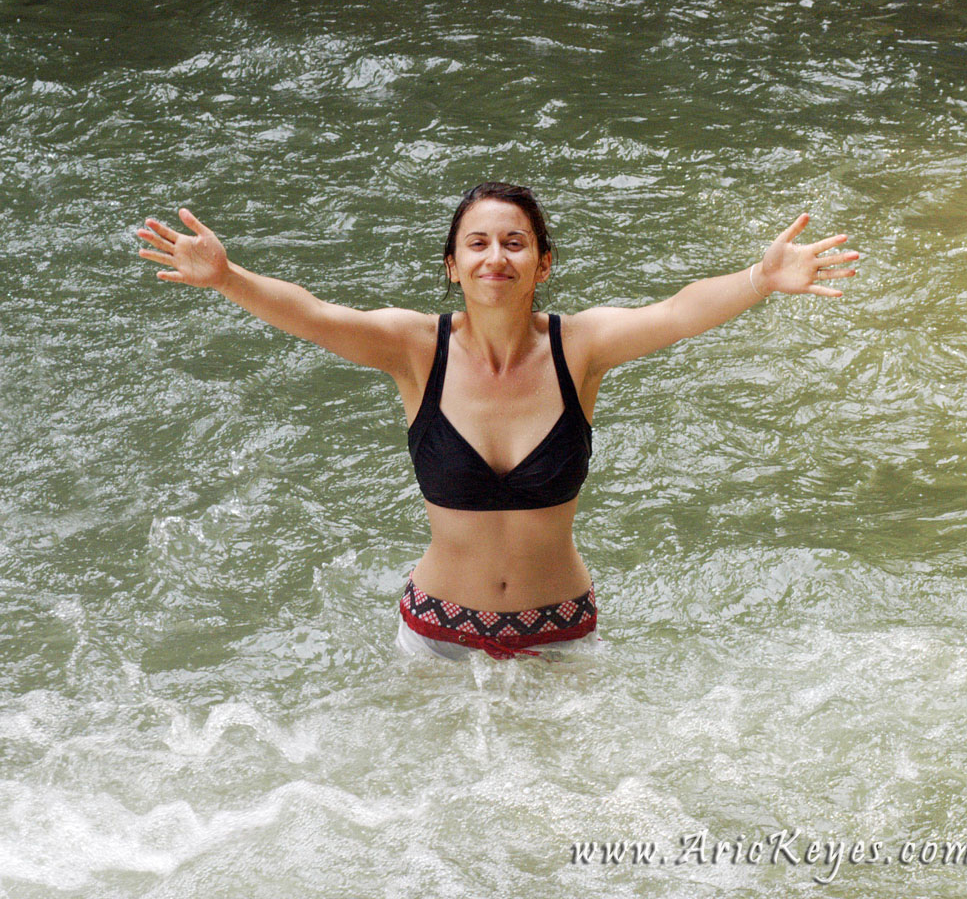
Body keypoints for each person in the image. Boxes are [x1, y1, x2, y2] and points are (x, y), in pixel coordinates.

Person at [136, 182, 858, 661]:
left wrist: (760, 279)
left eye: (514, 243)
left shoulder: (582, 348)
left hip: (562, 637)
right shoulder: (416, 350)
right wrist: (229, 279)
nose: (495, 257)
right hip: (436, 639)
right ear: (452, 265)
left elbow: (672, 314)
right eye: (477, 244)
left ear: (543, 264)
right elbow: (318, 315)